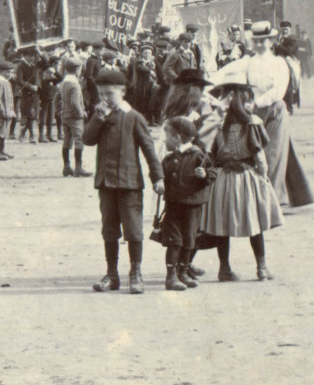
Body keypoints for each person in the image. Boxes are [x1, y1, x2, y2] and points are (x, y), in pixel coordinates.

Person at [82, 68, 163, 294]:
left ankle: (136, 272)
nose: (104, 98)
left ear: (123, 91)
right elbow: (87, 140)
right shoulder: (100, 115)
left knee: (133, 229)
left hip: (129, 183)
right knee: (109, 229)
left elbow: (149, 148)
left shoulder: (134, 117)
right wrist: (97, 119)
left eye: (109, 93)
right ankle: (112, 274)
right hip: (106, 183)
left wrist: (158, 177)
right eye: (101, 94)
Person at [197, 71, 281, 281]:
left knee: (222, 226)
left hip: (222, 180)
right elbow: (259, 156)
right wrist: (264, 177)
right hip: (246, 178)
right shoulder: (252, 123)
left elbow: (211, 154)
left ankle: (224, 268)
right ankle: (261, 267)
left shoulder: (218, 124)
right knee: (255, 224)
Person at [154, 117, 213, 292]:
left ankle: (183, 272)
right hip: (172, 206)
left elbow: (212, 173)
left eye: (167, 135)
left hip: (192, 206)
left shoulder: (198, 156)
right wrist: (159, 183)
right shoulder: (169, 159)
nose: (164, 140)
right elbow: (160, 175)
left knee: (189, 239)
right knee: (173, 240)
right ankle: (171, 277)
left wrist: (204, 175)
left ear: (177, 137)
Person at [57, 59, 88, 177]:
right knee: (79, 140)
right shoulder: (74, 83)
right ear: (77, 69)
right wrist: (81, 113)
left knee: (67, 140)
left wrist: (59, 110)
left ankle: (66, 167)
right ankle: (78, 167)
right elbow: (75, 102)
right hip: (74, 117)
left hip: (65, 115)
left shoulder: (64, 82)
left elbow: (57, 97)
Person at [0, 58, 16, 160]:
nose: (9, 74)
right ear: (2, 71)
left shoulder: (6, 81)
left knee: (4, 132)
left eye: (11, 72)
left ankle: (2, 150)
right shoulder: (0, 82)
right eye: (7, 72)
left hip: (7, 112)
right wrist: (2, 110)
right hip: (1, 113)